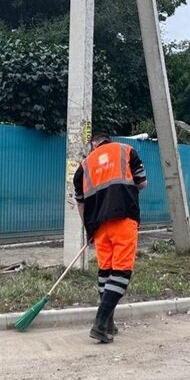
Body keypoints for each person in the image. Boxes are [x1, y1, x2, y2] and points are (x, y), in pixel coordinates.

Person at [73, 132, 147, 344]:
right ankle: (99, 324)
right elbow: (142, 183)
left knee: (106, 273)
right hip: (124, 218)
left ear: (93, 145)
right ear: (107, 141)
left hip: (99, 227)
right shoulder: (126, 151)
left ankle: (108, 324)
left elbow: (81, 203)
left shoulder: (83, 167)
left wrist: (89, 230)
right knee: (121, 273)